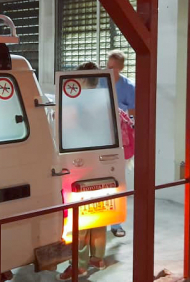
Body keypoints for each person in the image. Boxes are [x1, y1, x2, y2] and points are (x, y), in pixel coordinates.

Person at [56, 61, 107, 281]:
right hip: (103, 165)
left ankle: (79, 265)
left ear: (84, 80)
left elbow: (68, 134)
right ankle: (97, 258)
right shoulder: (106, 101)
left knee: (79, 218)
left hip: (80, 166)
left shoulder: (75, 104)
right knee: (100, 213)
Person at [107, 49, 135, 238]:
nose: (110, 71)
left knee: (118, 182)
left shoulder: (128, 87)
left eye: (114, 68)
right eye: (108, 66)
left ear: (122, 68)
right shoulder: (100, 83)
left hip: (120, 140)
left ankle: (116, 224)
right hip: (101, 138)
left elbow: (133, 115)